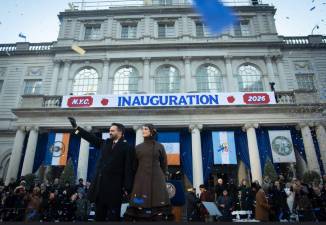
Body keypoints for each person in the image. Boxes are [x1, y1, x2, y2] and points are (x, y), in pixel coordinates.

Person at [68, 117, 134, 221]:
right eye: (109, 130)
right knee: (98, 217)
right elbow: (89, 137)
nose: (110, 132)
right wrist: (76, 128)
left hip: (115, 189)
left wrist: (127, 187)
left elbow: (128, 168)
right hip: (100, 188)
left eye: (112, 131)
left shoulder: (127, 147)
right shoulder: (105, 143)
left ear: (120, 132)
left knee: (113, 218)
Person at [125, 124, 172, 221]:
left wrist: (163, 176)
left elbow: (164, 164)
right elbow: (134, 165)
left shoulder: (160, 146)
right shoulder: (137, 147)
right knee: (139, 201)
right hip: (140, 178)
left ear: (152, 131)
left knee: (158, 205)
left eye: (146, 129)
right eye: (142, 129)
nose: (143, 131)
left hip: (157, 178)